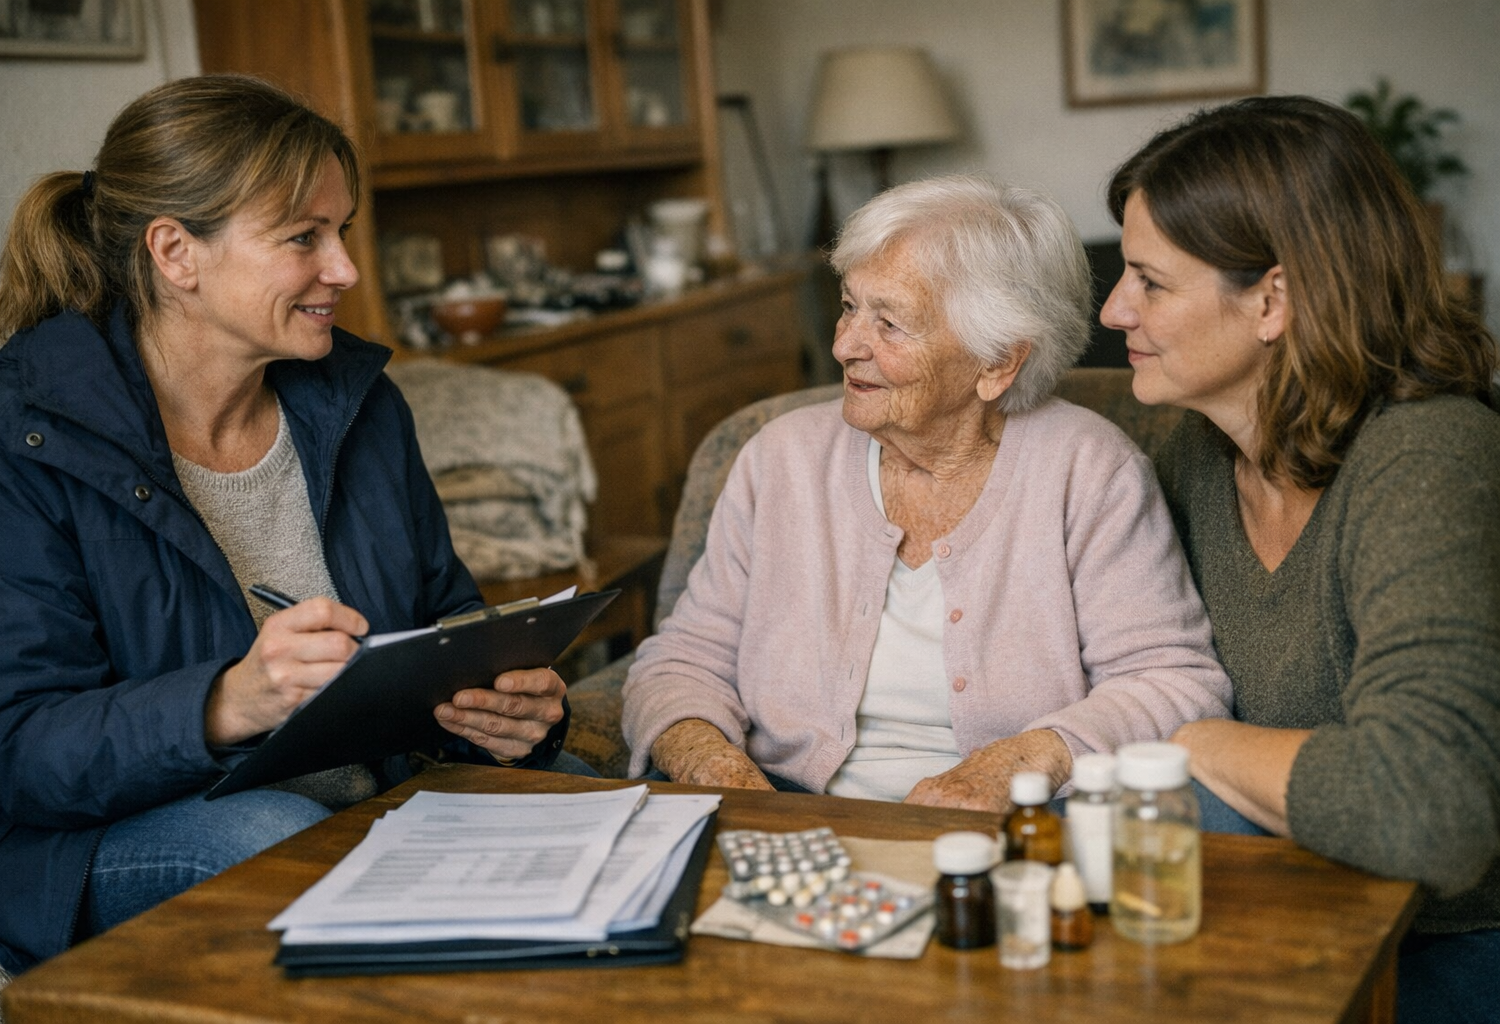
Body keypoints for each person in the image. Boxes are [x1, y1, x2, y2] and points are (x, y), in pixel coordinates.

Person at [0, 75, 584, 974]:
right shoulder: (9, 440)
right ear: (176, 253)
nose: (345, 271)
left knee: (586, 804)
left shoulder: (362, 407)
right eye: (304, 238)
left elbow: (444, 621)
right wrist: (225, 703)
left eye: (342, 232)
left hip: (359, 796)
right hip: (87, 844)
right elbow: (5, 750)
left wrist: (502, 711)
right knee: (285, 835)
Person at [622, 174, 1232, 809]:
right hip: (789, 807)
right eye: (849, 306)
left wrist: (1018, 766)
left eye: (889, 323)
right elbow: (684, 660)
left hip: (1017, 820)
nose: (845, 346)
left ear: (998, 362)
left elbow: (1171, 680)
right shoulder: (778, 460)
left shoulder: (1089, 471)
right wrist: (716, 768)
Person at [1099, 95, 1500, 1022]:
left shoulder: (1429, 458)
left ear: (1273, 300)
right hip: (1274, 900)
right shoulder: (1192, 455)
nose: (1114, 307)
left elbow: (1430, 810)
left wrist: (1190, 746)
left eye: (1150, 282)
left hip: (1447, 942)